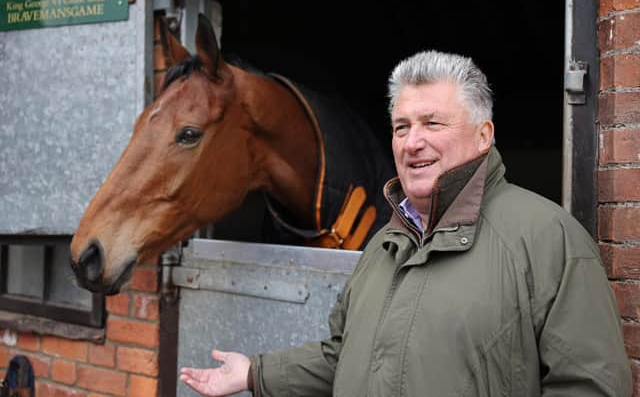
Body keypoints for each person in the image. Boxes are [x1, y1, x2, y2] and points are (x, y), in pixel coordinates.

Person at [180, 51, 632, 396]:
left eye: (432, 123)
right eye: (401, 127)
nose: (413, 142)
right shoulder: (385, 244)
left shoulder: (548, 238)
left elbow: (590, 385)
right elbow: (344, 355)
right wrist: (255, 373)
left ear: (483, 134)